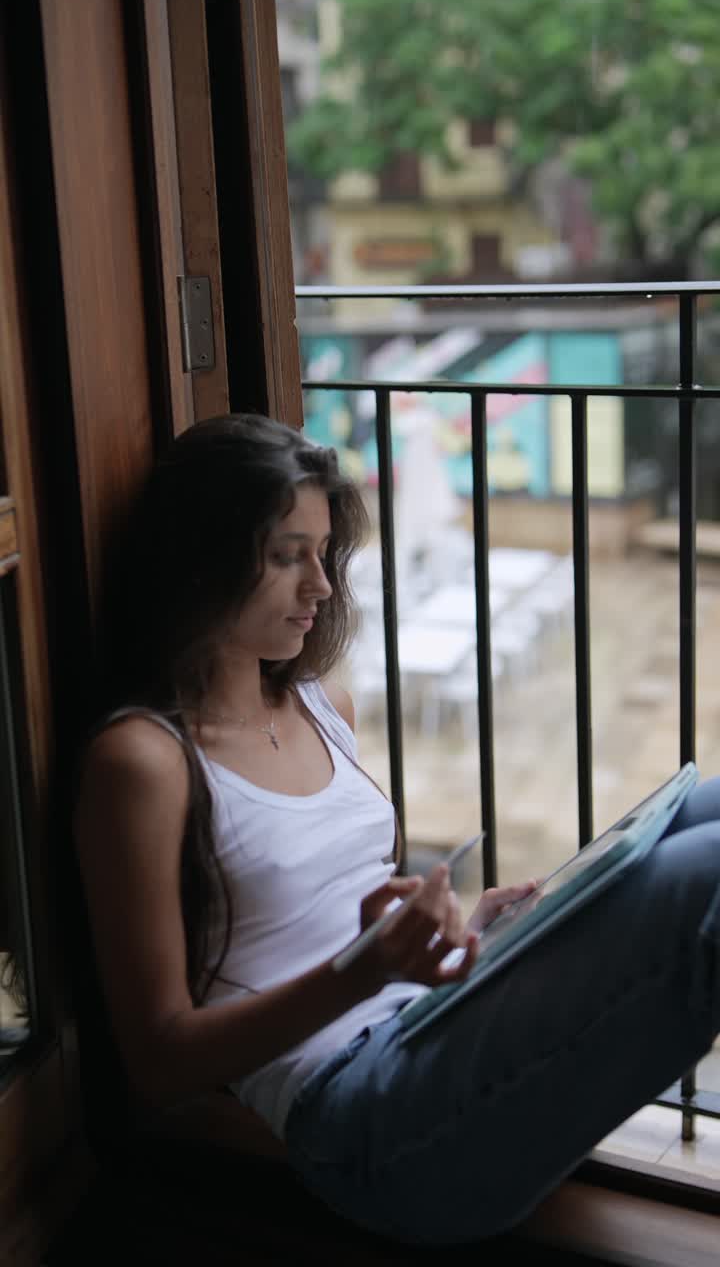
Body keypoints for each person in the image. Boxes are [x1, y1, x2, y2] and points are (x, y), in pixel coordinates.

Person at [73, 412, 720, 1246]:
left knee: (701, 810)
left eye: (323, 553)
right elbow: (158, 1063)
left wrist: (469, 938)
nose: (322, 586)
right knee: (706, 870)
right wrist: (367, 969)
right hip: (362, 1117)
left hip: (428, 1025)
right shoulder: (144, 762)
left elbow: (340, 916)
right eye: (288, 556)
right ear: (202, 559)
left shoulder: (322, 706)